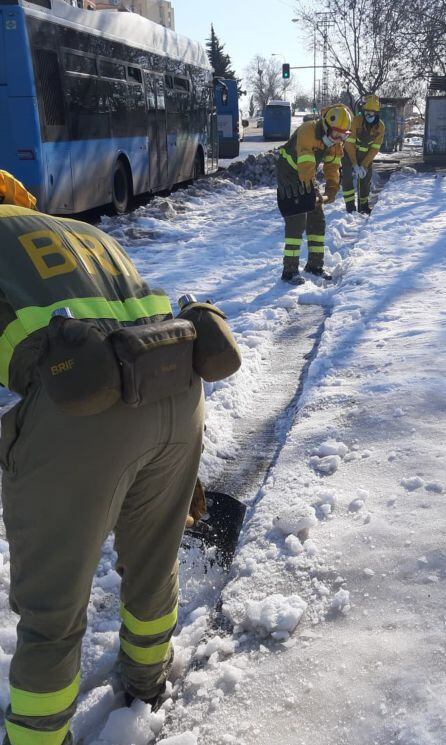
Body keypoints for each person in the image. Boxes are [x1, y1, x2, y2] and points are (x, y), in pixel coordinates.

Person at [0, 173, 205, 745]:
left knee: (51, 613)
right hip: (177, 385)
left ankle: (38, 737)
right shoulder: (80, 232)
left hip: (82, 416)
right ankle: (148, 681)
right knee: (152, 564)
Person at [276, 104, 352, 284]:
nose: (338, 139)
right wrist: (314, 189)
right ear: (326, 126)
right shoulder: (308, 131)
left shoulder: (335, 143)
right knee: (297, 219)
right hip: (289, 172)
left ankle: (315, 265)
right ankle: (289, 271)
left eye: (343, 136)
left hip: (306, 174)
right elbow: (306, 165)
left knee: (317, 218)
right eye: (336, 135)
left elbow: (332, 167)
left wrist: (332, 189)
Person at [341, 94, 385, 215]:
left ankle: (363, 206)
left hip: (366, 156)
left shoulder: (380, 127)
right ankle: (350, 207)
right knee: (347, 179)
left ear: (376, 114)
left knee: (365, 180)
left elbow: (375, 149)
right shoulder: (356, 121)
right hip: (349, 154)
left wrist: (364, 165)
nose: (368, 116)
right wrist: (355, 165)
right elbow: (349, 144)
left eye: (371, 113)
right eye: (366, 112)